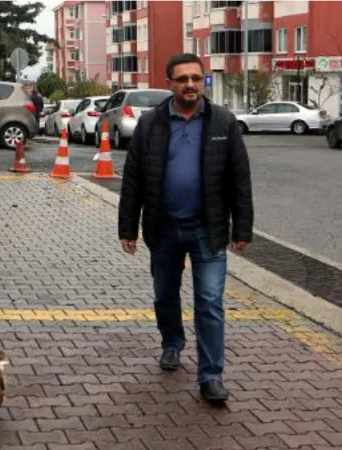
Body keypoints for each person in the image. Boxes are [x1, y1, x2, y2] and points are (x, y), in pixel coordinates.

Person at [117, 53, 253, 404]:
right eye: (182, 79)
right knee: (165, 295)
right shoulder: (151, 123)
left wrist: (243, 228)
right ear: (170, 84)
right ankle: (172, 344)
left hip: (208, 229)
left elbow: (240, 179)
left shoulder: (223, 121)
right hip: (164, 228)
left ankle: (210, 376)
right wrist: (128, 228)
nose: (190, 84)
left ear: (204, 80)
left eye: (196, 78)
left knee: (210, 301)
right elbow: (133, 179)